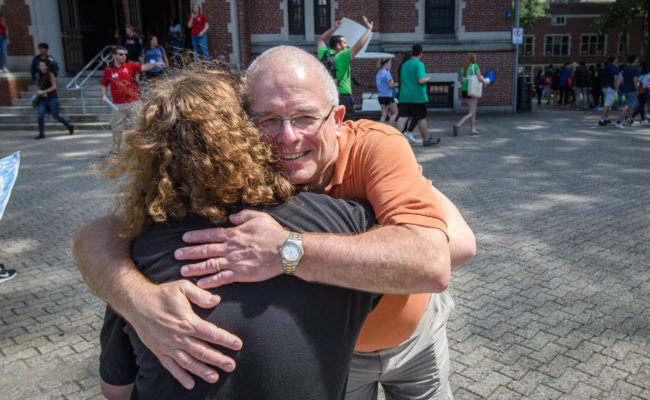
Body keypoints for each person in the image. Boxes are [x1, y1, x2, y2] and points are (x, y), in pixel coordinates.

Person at [73, 46, 475, 399]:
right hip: (339, 355)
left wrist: (287, 250)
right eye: (266, 120)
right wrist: (137, 301)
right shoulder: (248, 169)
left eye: (304, 117)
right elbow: (104, 233)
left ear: (336, 119)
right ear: (241, 126)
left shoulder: (376, 147)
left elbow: (433, 260)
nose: (287, 137)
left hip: (413, 342)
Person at [96, 67, 382, 400]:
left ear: (148, 158)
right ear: (247, 135)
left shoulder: (134, 260)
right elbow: (426, 245)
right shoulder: (347, 224)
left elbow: (115, 389)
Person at [100, 46, 164, 157]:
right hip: (118, 104)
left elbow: (143, 67)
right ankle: (115, 150)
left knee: (140, 125)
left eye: (124, 54)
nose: (123, 56)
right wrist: (104, 95)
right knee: (116, 127)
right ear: (114, 56)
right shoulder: (108, 70)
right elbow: (104, 84)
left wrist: (154, 64)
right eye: (120, 54)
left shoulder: (130, 66)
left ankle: (142, 149)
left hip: (134, 102)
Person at [317, 17, 374, 121]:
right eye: (344, 43)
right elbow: (359, 45)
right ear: (338, 45)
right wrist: (369, 29)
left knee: (330, 124)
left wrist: (334, 28)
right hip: (342, 96)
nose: (346, 45)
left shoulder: (323, 54)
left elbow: (320, 39)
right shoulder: (341, 57)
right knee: (347, 126)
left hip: (326, 96)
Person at [395, 44, 440, 147]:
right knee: (421, 118)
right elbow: (421, 80)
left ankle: (395, 139)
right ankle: (426, 139)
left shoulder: (404, 64)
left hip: (404, 96)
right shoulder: (419, 64)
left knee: (402, 117)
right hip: (417, 97)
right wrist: (428, 78)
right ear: (421, 53)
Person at [33, 60, 74, 140]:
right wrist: (38, 91)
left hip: (52, 98)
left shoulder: (50, 74)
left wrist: (44, 91)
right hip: (42, 99)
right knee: (40, 115)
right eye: (40, 65)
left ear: (47, 66)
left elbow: (54, 86)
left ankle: (69, 126)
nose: (41, 67)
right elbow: (38, 85)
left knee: (56, 116)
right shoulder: (38, 75)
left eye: (43, 65)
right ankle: (41, 133)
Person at [453, 53, 488, 137]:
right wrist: (484, 82)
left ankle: (473, 129)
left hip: (465, 91)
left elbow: (461, 81)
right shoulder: (475, 66)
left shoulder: (463, 68)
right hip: (472, 91)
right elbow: (479, 78)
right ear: (473, 59)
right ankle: (458, 125)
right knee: (472, 112)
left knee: (471, 111)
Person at [616, 54, 641, 129]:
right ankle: (618, 121)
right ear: (634, 60)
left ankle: (632, 121)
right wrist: (637, 89)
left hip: (626, 89)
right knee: (627, 106)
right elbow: (635, 80)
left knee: (629, 106)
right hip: (632, 90)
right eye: (637, 59)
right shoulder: (636, 69)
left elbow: (622, 81)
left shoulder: (625, 69)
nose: (637, 60)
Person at [376, 58, 398, 126]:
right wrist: (398, 84)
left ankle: (380, 130)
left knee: (384, 115)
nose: (390, 64)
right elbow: (390, 85)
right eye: (389, 63)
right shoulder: (387, 73)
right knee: (395, 113)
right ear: (386, 64)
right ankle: (389, 127)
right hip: (388, 96)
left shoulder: (378, 73)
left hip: (380, 96)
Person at [598, 56, 620, 126]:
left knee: (608, 103)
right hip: (611, 87)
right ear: (614, 60)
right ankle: (602, 119)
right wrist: (616, 88)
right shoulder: (615, 68)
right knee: (607, 104)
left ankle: (606, 118)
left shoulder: (605, 67)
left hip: (604, 86)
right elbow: (615, 78)